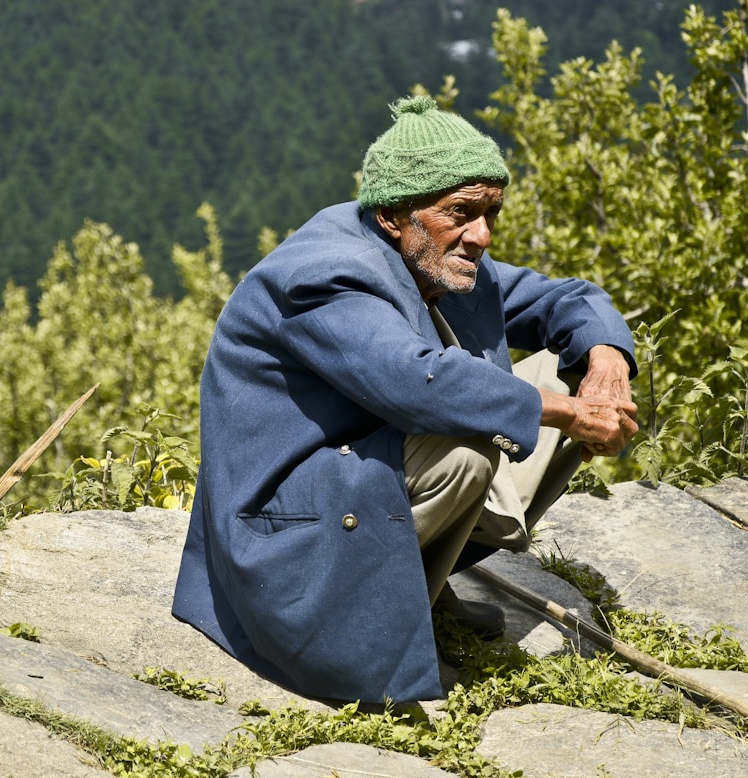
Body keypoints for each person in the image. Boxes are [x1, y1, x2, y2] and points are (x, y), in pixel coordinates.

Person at [171, 95, 638, 705]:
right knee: (464, 451)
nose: (482, 235)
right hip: (281, 520)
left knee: (563, 367)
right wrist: (573, 412)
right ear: (394, 214)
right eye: (462, 213)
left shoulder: (438, 256)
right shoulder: (325, 275)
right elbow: (417, 381)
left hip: (362, 463)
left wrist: (606, 362)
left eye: (490, 212)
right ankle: (377, 621)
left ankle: (414, 589)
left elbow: (566, 300)